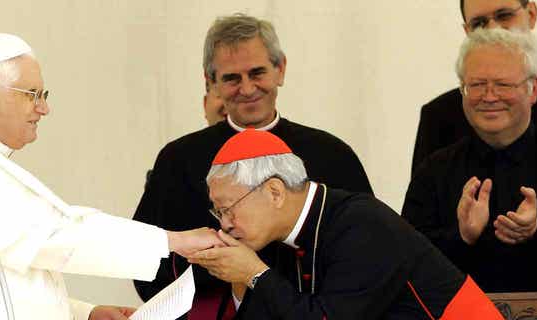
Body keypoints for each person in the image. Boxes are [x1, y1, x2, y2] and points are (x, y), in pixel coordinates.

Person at [0, 32, 223, 320]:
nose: (43, 109)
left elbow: (1, 282)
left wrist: (85, 313)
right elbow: (59, 237)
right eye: (32, 94)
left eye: (44, 95)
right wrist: (173, 241)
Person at [132, 13, 372, 319]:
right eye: (232, 78)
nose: (247, 89)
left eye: (257, 73)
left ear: (280, 69)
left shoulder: (333, 154)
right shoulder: (178, 160)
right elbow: (146, 262)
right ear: (211, 83)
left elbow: (365, 257)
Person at [188, 128, 502, 319]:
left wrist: (254, 273)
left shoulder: (362, 225)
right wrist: (241, 278)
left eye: (228, 209)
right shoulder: (278, 236)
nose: (224, 224)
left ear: (274, 192)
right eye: (219, 213)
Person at [402, 28, 537, 292]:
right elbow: (404, 261)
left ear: (533, 89)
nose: (489, 97)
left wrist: (536, 231)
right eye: (477, 85)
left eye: (502, 84)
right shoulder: (433, 172)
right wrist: (461, 237)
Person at [411, 0, 537, 176]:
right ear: (467, 31)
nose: (494, 30)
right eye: (479, 24)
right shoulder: (439, 116)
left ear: (532, 14)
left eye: (504, 15)